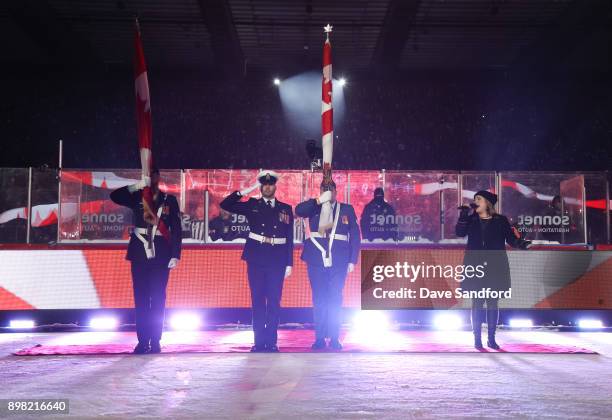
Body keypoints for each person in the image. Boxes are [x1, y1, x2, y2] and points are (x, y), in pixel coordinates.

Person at [110, 168, 182, 354]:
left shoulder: (169, 200)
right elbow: (115, 196)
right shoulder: (137, 197)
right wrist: (137, 185)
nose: (151, 179)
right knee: (141, 299)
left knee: (158, 298)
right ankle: (142, 341)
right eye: (147, 177)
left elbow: (176, 229)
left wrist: (175, 254)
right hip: (140, 253)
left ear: (159, 178)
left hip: (161, 255)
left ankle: (156, 340)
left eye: (153, 176)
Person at [220, 170, 293, 352]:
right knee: (258, 301)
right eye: (264, 184)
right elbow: (226, 204)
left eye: (270, 184)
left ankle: (272, 342)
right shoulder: (252, 205)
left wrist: (289, 263)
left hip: (277, 259)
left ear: (275, 186)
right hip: (257, 258)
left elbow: (289, 238)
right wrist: (247, 189)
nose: (268, 187)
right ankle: (259, 342)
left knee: (274, 302)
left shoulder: (285, 208)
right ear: (261, 187)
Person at [455, 190, 531, 350]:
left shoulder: (500, 220)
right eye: (475, 199)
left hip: (495, 265)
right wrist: (463, 216)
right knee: (477, 302)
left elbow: (511, 240)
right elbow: (459, 233)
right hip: (475, 265)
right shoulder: (471, 219)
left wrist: (521, 243)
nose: (475, 202)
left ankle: (491, 338)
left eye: (479, 199)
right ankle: (477, 339)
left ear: (488, 203)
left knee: (492, 302)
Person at [296, 180, 360, 350]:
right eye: (325, 189)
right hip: (316, 259)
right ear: (320, 191)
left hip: (338, 260)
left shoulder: (346, 209)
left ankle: (334, 338)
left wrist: (353, 259)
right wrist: (318, 200)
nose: (329, 192)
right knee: (319, 299)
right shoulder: (313, 207)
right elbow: (298, 210)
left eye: (331, 189)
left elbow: (355, 234)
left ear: (336, 191)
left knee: (335, 299)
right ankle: (319, 338)